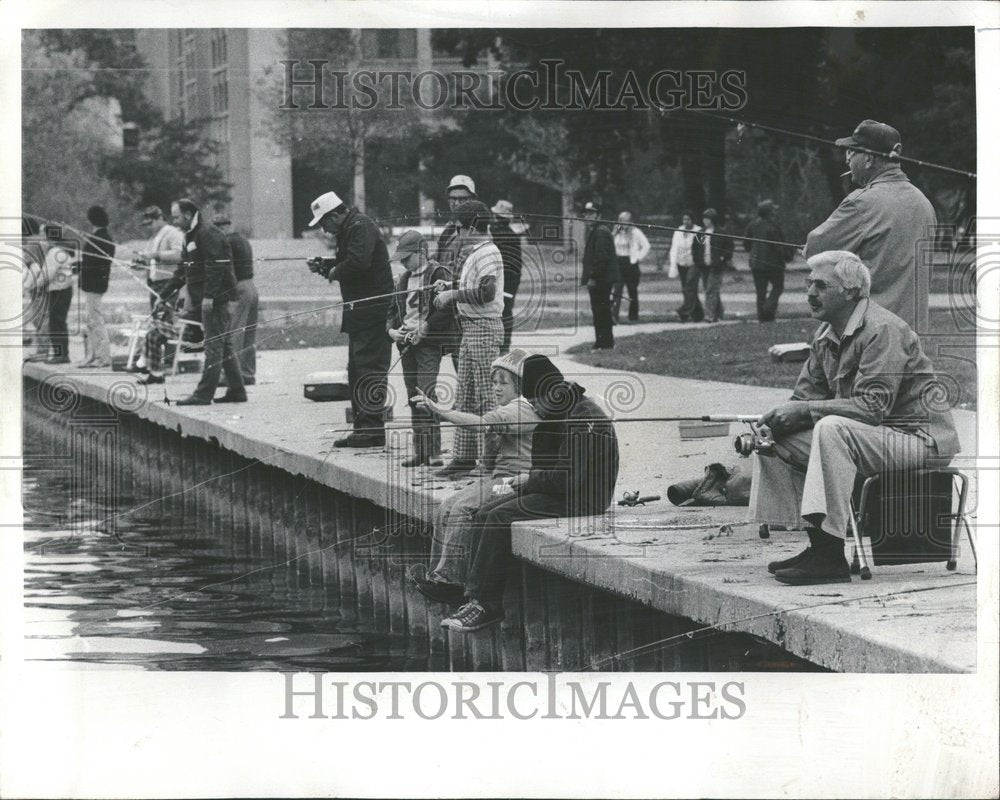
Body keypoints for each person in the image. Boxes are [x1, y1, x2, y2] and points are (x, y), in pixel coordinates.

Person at [750, 251, 960, 586]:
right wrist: (778, 420)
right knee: (775, 436)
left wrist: (804, 412)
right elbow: (804, 398)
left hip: (917, 438)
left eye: (820, 285)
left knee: (830, 428)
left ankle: (831, 556)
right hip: (876, 436)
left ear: (850, 291)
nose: (810, 293)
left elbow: (873, 407)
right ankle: (818, 545)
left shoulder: (882, 329)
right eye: (808, 285)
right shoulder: (825, 334)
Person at [439, 354, 620, 632]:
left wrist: (527, 479)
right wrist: (528, 479)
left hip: (583, 499)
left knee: (500, 516)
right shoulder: (562, 409)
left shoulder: (585, 418)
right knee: (486, 510)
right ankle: (472, 596)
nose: (536, 408)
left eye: (535, 402)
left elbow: (571, 480)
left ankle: (487, 604)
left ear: (549, 393)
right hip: (558, 490)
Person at [411, 348, 539, 603]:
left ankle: (452, 581)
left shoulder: (521, 410)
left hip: (515, 482)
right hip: (498, 478)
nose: (496, 388)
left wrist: (441, 412)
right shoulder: (510, 409)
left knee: (464, 509)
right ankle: (438, 575)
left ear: (520, 387)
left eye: (503, 383)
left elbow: (480, 423)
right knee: (447, 506)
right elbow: (491, 447)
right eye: (494, 382)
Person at [805, 119, 936, 331]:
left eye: (851, 151)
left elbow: (814, 250)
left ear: (868, 158)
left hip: (870, 331)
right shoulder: (923, 203)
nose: (847, 158)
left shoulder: (862, 202)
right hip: (912, 332)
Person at [307, 191, 393, 446]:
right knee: (357, 369)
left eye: (325, 222)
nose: (325, 229)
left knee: (369, 369)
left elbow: (358, 263)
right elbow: (351, 262)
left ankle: (372, 431)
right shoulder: (353, 227)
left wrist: (333, 271)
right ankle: (363, 428)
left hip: (372, 311)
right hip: (361, 312)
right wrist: (326, 267)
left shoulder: (360, 226)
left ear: (336, 214)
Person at [430, 200, 505, 477]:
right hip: (469, 329)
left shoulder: (487, 252)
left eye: (460, 229)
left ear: (473, 226)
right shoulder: (477, 252)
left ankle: (492, 463)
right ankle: (464, 457)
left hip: (484, 328)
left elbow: (486, 292)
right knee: (465, 397)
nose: (457, 235)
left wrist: (453, 295)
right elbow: (475, 285)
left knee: (488, 398)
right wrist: (451, 285)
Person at [158, 198, 245, 406]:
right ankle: (237, 390)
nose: (175, 221)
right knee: (222, 344)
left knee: (213, 346)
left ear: (188, 215)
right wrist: (164, 295)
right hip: (208, 299)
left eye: (177, 216)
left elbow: (216, 266)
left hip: (214, 300)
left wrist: (209, 296)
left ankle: (203, 394)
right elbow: (182, 270)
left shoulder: (207, 233)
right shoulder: (191, 234)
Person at [386, 230, 455, 467]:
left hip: (428, 344)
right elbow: (393, 311)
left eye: (407, 257)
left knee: (426, 392)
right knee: (412, 395)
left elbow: (446, 309)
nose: (404, 262)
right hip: (406, 342)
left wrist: (426, 328)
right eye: (401, 258)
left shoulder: (438, 274)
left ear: (422, 252)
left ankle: (434, 450)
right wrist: (391, 331)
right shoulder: (403, 279)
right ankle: (421, 450)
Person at [213, 214, 259, 386]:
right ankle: (247, 373)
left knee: (234, 333)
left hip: (238, 288)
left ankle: (232, 375)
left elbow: (225, 270)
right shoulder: (243, 239)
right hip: (251, 287)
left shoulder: (227, 242)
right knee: (248, 335)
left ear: (222, 227)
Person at [744, 199, 795, 322]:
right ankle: (768, 310)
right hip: (773, 264)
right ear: (769, 212)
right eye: (773, 211)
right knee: (778, 287)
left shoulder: (752, 225)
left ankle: (762, 317)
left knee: (760, 292)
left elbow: (746, 244)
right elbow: (779, 246)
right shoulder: (773, 226)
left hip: (756, 264)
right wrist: (787, 258)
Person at [77, 205, 115, 368]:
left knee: (96, 320)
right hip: (94, 284)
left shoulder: (99, 239)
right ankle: (93, 355)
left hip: (95, 285)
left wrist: (78, 267)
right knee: (91, 321)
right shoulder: (103, 238)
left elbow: (94, 263)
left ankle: (103, 356)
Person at [580, 201, 617, 350]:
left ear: (599, 215)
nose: (588, 216)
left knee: (601, 311)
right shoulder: (595, 230)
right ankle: (603, 341)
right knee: (600, 310)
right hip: (600, 278)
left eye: (591, 213)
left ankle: (604, 342)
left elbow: (601, 258)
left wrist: (593, 277)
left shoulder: (600, 231)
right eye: (586, 213)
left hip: (601, 279)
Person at [134, 205, 184, 310]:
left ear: (160, 218)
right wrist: (141, 263)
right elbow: (151, 261)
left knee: (166, 320)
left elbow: (180, 255)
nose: (148, 227)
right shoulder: (154, 237)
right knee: (156, 321)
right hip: (154, 284)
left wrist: (156, 255)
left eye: (151, 223)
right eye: (146, 225)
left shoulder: (174, 233)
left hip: (168, 283)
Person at [490, 199, 524, 352]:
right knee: (506, 311)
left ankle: (496, 344)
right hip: (511, 280)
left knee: (494, 311)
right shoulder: (513, 235)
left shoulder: (492, 233)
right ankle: (505, 345)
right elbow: (517, 262)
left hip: (497, 278)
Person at [41, 226, 78, 364]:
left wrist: (35, 284)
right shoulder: (63, 250)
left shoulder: (54, 252)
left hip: (58, 290)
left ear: (49, 237)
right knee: (59, 321)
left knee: (56, 322)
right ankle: (62, 353)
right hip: (64, 289)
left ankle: (60, 354)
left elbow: (48, 274)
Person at [693, 208, 733, 323]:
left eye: (708, 218)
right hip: (704, 265)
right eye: (704, 218)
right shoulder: (700, 233)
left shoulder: (721, 233)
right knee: (711, 289)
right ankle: (719, 312)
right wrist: (698, 261)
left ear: (713, 220)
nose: (705, 221)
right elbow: (695, 248)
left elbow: (729, 247)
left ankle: (709, 315)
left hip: (716, 266)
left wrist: (723, 257)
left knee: (710, 290)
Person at [611, 211, 651, 324]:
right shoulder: (616, 232)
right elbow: (611, 245)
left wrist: (637, 257)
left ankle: (633, 316)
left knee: (632, 290)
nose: (623, 224)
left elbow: (647, 246)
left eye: (626, 221)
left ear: (630, 222)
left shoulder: (635, 232)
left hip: (630, 263)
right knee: (617, 289)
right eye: (621, 221)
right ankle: (614, 316)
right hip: (618, 262)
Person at [435, 175, 477, 270]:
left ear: (473, 200)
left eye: (462, 199)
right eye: (453, 198)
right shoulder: (451, 227)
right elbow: (439, 256)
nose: (457, 203)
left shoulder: (476, 230)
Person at [670, 212, 704, 322]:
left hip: (693, 263)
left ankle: (684, 311)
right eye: (684, 219)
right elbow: (674, 248)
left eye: (688, 219)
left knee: (689, 287)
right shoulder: (678, 231)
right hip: (681, 263)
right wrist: (673, 265)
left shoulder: (698, 231)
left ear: (693, 220)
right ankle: (698, 314)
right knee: (689, 290)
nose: (686, 222)